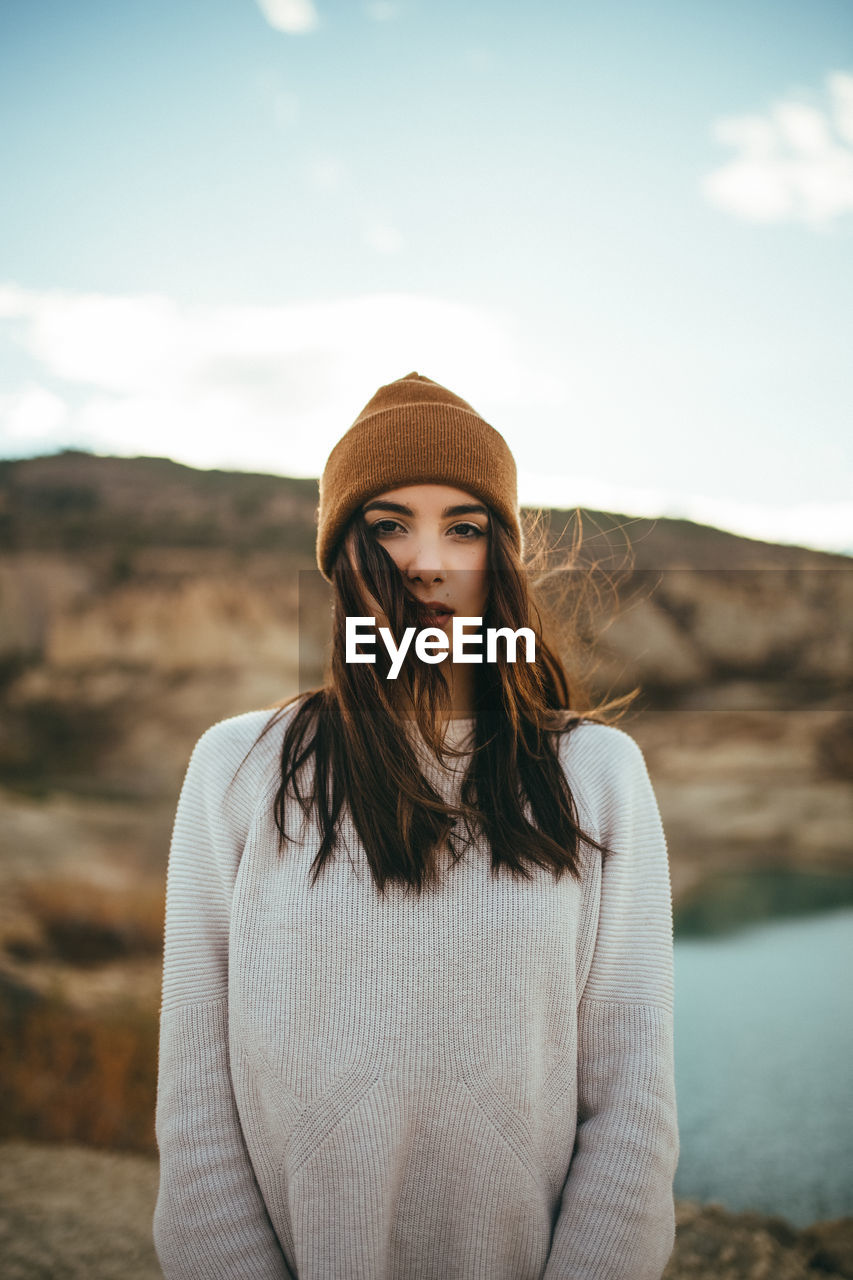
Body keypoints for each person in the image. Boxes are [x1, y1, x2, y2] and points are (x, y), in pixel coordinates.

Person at [153, 372, 679, 1279]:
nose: (425, 562)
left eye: (463, 528)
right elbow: (196, 1099)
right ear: (342, 555)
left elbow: (631, 1104)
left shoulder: (595, 774)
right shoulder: (237, 767)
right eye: (388, 525)